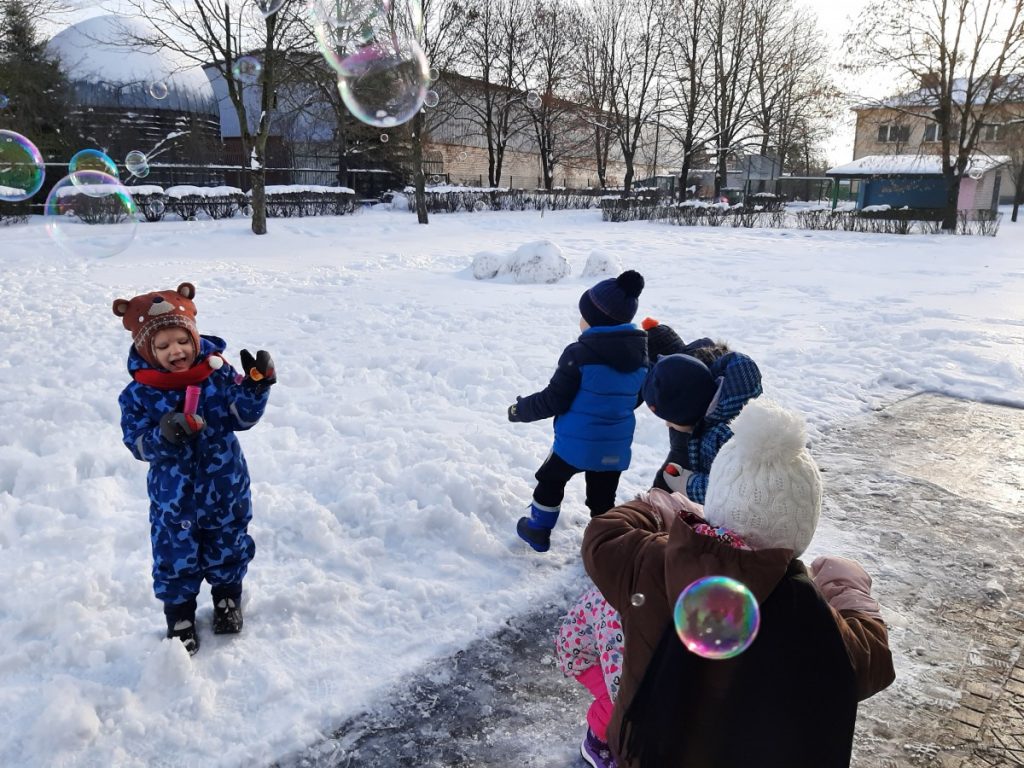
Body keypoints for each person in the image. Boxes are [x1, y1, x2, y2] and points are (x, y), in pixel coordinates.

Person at [582, 399, 896, 768]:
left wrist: (662, 504)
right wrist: (847, 588)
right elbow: (872, 662)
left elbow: (603, 534)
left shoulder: (653, 561)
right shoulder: (812, 615)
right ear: (801, 527)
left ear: (716, 502)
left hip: (646, 751)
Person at [113, 282, 276, 656]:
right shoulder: (139, 394)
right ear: (147, 350)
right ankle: (180, 616)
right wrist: (163, 436)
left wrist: (256, 387)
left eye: (182, 341)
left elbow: (241, 417)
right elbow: (135, 441)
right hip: (175, 499)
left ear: (195, 338)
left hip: (224, 488)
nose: (177, 351)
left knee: (228, 546)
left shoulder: (216, 374)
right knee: (174, 557)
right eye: (164, 345)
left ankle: (227, 600)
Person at [556, 489, 747, 768]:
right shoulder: (623, 613)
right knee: (619, 705)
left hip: (610, 645)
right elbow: (621, 685)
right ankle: (596, 741)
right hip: (585, 655)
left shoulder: (665, 587)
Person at [507, 270, 648, 552]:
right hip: (615, 447)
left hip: (574, 443)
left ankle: (537, 528)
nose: (580, 320)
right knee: (602, 497)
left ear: (596, 319)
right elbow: (636, 398)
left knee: (550, 478)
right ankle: (605, 543)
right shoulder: (642, 357)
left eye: (584, 315)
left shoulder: (579, 354)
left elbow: (554, 399)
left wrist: (520, 410)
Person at [642, 334, 762, 501]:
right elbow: (677, 461)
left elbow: (739, 490)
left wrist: (689, 484)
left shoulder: (726, 437)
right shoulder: (701, 402)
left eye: (670, 419)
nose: (667, 424)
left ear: (689, 416)